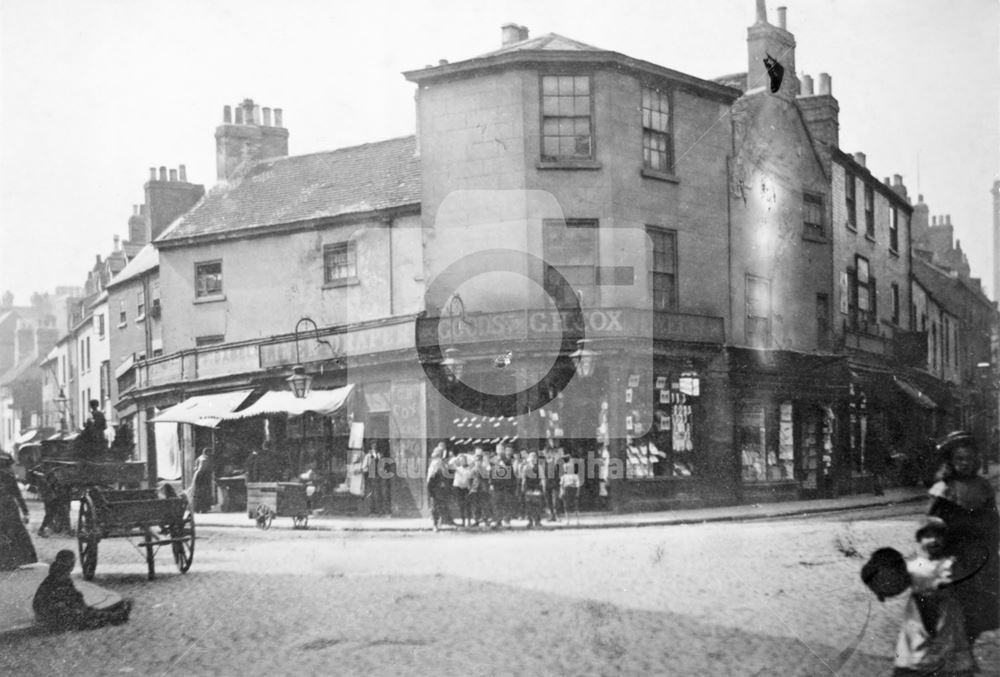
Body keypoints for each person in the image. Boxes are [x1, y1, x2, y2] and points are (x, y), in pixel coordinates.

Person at [860, 518, 977, 676]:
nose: (934, 540)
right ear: (919, 539)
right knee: (916, 652)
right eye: (927, 536)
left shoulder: (951, 563)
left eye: (938, 536)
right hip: (918, 616)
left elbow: (967, 583)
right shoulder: (913, 565)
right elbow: (897, 582)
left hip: (947, 615)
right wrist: (881, 586)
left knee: (950, 653)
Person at [926, 431, 999, 647]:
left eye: (968, 459)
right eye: (959, 459)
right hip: (953, 554)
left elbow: (992, 518)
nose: (964, 464)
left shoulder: (983, 486)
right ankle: (953, 648)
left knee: (977, 603)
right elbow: (934, 522)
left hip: (978, 554)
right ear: (951, 461)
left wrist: (992, 541)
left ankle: (968, 641)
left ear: (975, 460)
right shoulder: (944, 489)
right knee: (952, 601)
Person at [33, 550, 132, 632]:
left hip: (47, 614)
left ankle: (114, 615)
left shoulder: (55, 576)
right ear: (70, 564)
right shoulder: (62, 579)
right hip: (54, 617)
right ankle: (115, 616)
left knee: (87, 614)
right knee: (88, 618)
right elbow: (77, 604)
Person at [0, 451, 36, 569]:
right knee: (13, 532)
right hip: (7, 505)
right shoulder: (8, 474)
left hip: (6, 504)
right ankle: (12, 561)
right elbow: (17, 493)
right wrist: (25, 511)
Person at [425, 447, 454, 531]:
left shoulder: (442, 464)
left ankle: (441, 522)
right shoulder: (435, 464)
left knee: (441, 505)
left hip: (442, 489)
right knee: (435, 507)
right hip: (436, 489)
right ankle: (435, 524)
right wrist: (431, 490)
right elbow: (431, 479)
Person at [189, 449, 213, 513]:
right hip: (203, 476)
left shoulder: (199, 458)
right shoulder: (206, 459)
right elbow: (203, 468)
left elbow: (195, 468)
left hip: (198, 476)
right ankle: (203, 509)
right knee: (204, 493)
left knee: (197, 492)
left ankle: (197, 508)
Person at [451, 453, 473, 527]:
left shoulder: (469, 468)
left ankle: (469, 521)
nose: (462, 462)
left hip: (466, 488)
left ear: (466, 461)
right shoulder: (458, 468)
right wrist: (457, 457)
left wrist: (466, 454)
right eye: (460, 461)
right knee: (461, 505)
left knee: (468, 505)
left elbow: (473, 460)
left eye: (463, 460)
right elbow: (450, 463)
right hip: (458, 488)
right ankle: (463, 521)